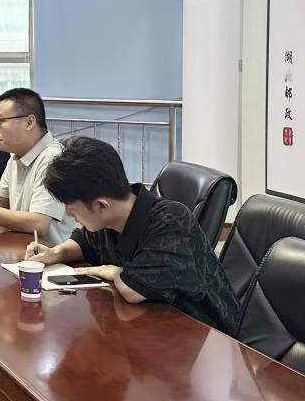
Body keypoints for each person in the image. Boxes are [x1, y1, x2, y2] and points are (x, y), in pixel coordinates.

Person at [25, 136, 240, 333]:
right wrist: (55, 253)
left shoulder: (171, 220)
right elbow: (85, 242)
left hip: (208, 337)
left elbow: (133, 290)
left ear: (101, 205)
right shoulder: (111, 217)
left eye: (71, 208)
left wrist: (113, 272)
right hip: (152, 328)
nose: (67, 214)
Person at [0, 87, 77, 245]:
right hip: (23, 249)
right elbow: (0, 199)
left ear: (29, 122)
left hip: (53, 255)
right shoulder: (16, 156)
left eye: (0, 121)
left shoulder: (53, 158)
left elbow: (39, 223)